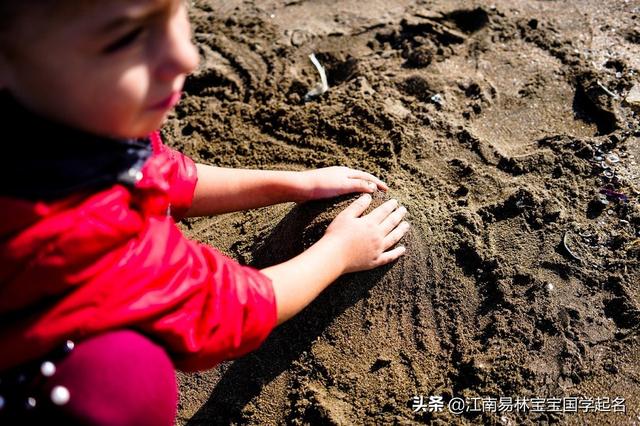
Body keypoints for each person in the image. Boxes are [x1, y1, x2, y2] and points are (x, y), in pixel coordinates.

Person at [0, 0, 410, 424]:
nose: (186, 57)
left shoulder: (59, 129)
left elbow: (160, 173)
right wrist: (339, 252)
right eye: (125, 37)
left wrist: (292, 183)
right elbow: (230, 308)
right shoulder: (83, 234)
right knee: (124, 376)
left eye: (176, 11)